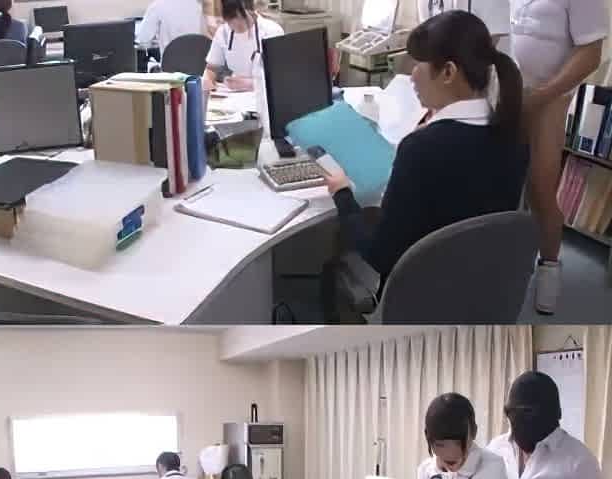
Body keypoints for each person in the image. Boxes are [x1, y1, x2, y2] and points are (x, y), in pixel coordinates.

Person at [321, 11, 528, 319]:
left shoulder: (421, 149)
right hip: (482, 298)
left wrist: (343, 195)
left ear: (448, 72)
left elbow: (380, 256)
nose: (412, 75)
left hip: (418, 302)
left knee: (333, 264)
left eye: (418, 64)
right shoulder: (515, 139)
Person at [512, 0, 608, 314]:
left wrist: (541, 96)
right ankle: (505, 261)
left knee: (540, 189)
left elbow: (590, 53)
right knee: (502, 183)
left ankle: (549, 267)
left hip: (549, 96)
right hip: (507, 89)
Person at [488, 371, 603, 479]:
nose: (529, 424)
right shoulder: (495, 449)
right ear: (508, 413)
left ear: (556, 414)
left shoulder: (580, 463)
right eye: (523, 414)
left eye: (535, 414)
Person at [418, 393, 508, 479]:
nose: (450, 453)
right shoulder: (426, 470)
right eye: (440, 444)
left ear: (474, 432)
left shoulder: (494, 467)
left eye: (457, 442)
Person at [202, 0, 283, 92]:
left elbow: (280, 78)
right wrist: (208, 81)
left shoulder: (272, 31)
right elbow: (211, 68)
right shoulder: (223, 32)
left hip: (264, 95)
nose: (234, 25)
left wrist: (250, 84)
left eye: (240, 18)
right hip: (234, 95)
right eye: (229, 20)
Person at [137, 0, 206, 55]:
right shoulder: (204, 5)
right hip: (201, 65)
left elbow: (142, 39)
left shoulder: (158, 5)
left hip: (170, 66)